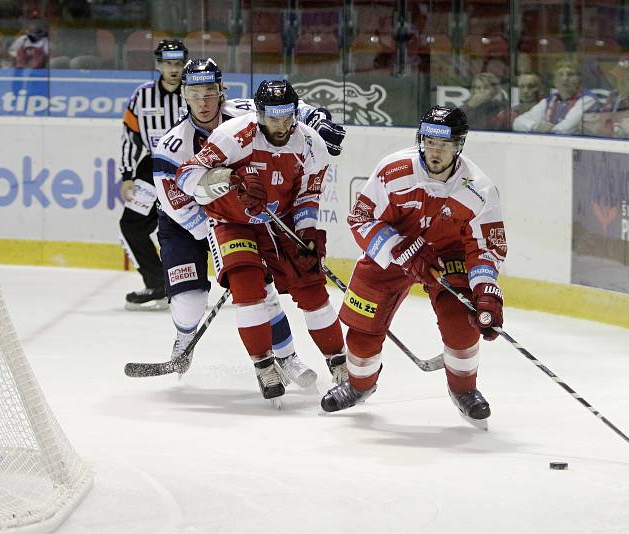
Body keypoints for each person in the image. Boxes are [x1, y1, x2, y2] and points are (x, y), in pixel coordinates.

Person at [153, 59, 345, 383]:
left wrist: (321, 120)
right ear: (183, 94)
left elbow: (293, 110)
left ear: (221, 91)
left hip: (253, 213)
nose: (204, 101)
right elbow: (182, 202)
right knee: (191, 300)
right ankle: (183, 343)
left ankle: (288, 358)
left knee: (265, 290)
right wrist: (230, 205)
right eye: (195, 93)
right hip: (188, 220)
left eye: (210, 91)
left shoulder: (250, 110)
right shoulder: (172, 144)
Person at [321, 105, 507, 428]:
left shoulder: (478, 188)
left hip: (447, 257)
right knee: (362, 334)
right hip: (392, 252)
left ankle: (464, 390)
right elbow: (361, 219)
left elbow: (485, 248)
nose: (435, 152)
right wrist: (399, 250)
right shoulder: (394, 171)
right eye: (430, 142)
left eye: (444, 145)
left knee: (462, 324)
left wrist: (487, 293)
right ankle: (359, 385)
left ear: (459, 145)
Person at [119, 39, 189, 310]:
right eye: (168, 63)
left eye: (179, 63)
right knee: (131, 225)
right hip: (151, 169)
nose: (174, 69)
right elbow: (130, 137)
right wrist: (127, 175)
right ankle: (159, 284)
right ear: (158, 64)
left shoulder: (195, 91)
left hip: (187, 169)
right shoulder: (141, 96)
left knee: (195, 227)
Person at [513, 56, 598, 134]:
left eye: (570, 74)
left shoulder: (587, 99)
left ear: (579, 79)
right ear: (554, 81)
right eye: (561, 74)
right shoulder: (549, 100)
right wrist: (536, 127)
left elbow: (565, 129)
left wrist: (545, 129)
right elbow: (517, 123)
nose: (565, 78)